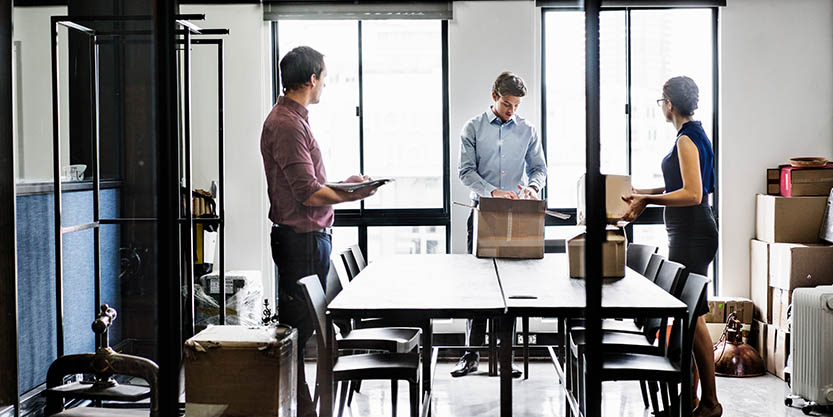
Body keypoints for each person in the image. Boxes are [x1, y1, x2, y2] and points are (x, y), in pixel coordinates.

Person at [260, 45, 381, 417]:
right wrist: (355, 193)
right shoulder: (287, 124)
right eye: (324, 78)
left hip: (307, 239)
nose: (324, 85)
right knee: (299, 331)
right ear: (312, 79)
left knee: (305, 329)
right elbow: (309, 194)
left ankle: (306, 407)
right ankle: (303, 410)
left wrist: (345, 184)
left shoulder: (294, 119)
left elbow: (309, 183)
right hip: (302, 241)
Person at [622, 76, 722, 417]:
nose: (660, 107)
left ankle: (709, 402)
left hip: (693, 233)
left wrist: (648, 198)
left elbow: (692, 194)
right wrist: (644, 195)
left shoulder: (685, 139)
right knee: (691, 318)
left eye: (660, 101)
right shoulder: (693, 134)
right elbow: (680, 187)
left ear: (670, 104)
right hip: (690, 232)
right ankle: (691, 399)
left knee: (692, 317)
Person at [455, 72, 547, 378]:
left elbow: (539, 169)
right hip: (482, 213)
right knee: (477, 286)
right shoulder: (473, 127)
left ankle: (506, 358)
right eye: (507, 104)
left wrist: (534, 187)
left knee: (511, 288)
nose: (512, 111)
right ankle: (471, 355)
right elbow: (465, 172)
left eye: (517, 106)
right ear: (495, 96)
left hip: (517, 217)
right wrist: (491, 190)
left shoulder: (528, 130)